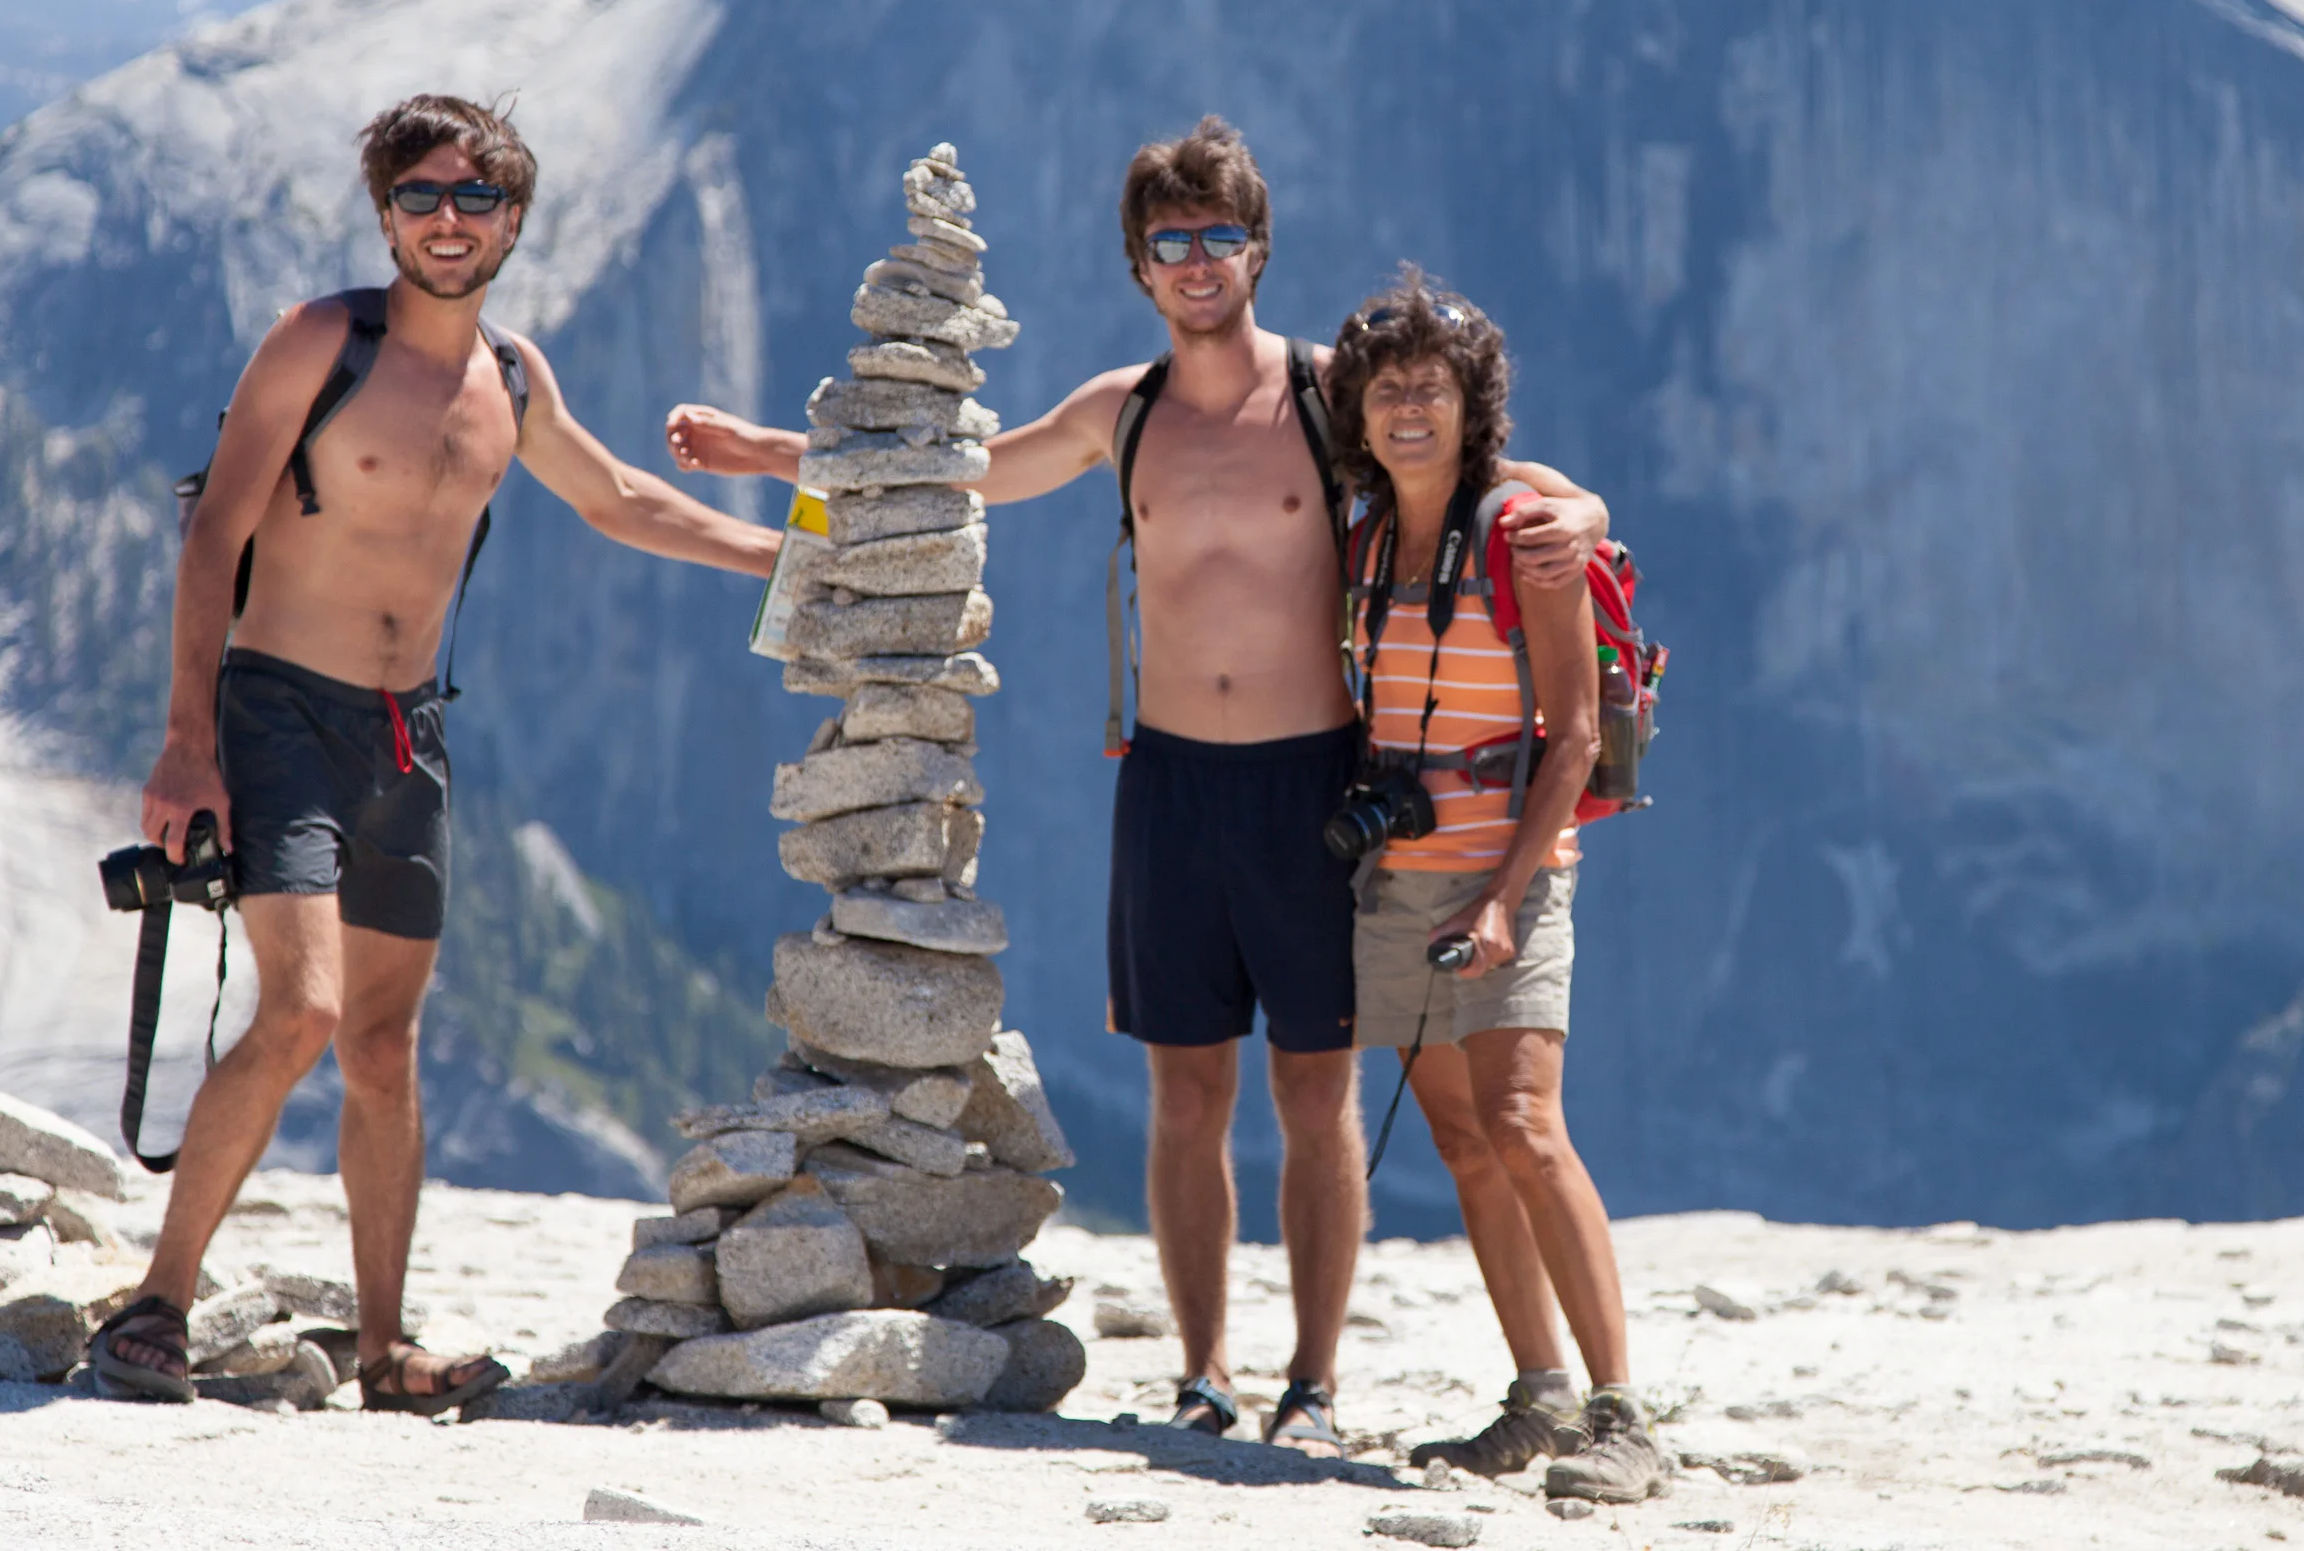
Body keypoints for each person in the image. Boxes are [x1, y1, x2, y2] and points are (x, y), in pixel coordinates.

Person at [665, 116, 1608, 1454]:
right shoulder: (1126, 411)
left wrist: (1586, 514)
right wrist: (773, 453)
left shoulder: (1334, 394)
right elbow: (965, 473)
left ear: (1260, 249)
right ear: (1139, 265)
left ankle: (1316, 1381)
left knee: (1314, 1092)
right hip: (1168, 784)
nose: (1200, 260)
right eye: (1173, 241)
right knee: (1187, 1093)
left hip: (1312, 781)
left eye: (1223, 235)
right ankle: (1207, 1370)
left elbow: (1469, 474)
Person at [101, 94, 783, 1412]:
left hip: (407, 736)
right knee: (299, 1008)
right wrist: (188, 744)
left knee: (385, 1042)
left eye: (476, 199)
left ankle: (382, 1350)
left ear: (514, 219)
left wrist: (791, 547)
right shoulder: (322, 343)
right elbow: (213, 535)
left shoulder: (513, 380)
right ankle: (157, 1302)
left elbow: (621, 497)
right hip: (280, 709)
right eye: (422, 197)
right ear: (385, 212)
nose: (449, 221)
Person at [1323, 271, 1668, 1504]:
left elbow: (1572, 738)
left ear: (1477, 409)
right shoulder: (1361, 539)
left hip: (1509, 875)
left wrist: (1506, 895)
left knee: (1525, 1125)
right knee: (1463, 1139)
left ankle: (1624, 1412)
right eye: (1386, 388)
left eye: (1434, 387)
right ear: (1356, 412)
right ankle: (1538, 1396)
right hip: (1400, 878)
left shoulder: (1528, 531)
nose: (1408, 407)